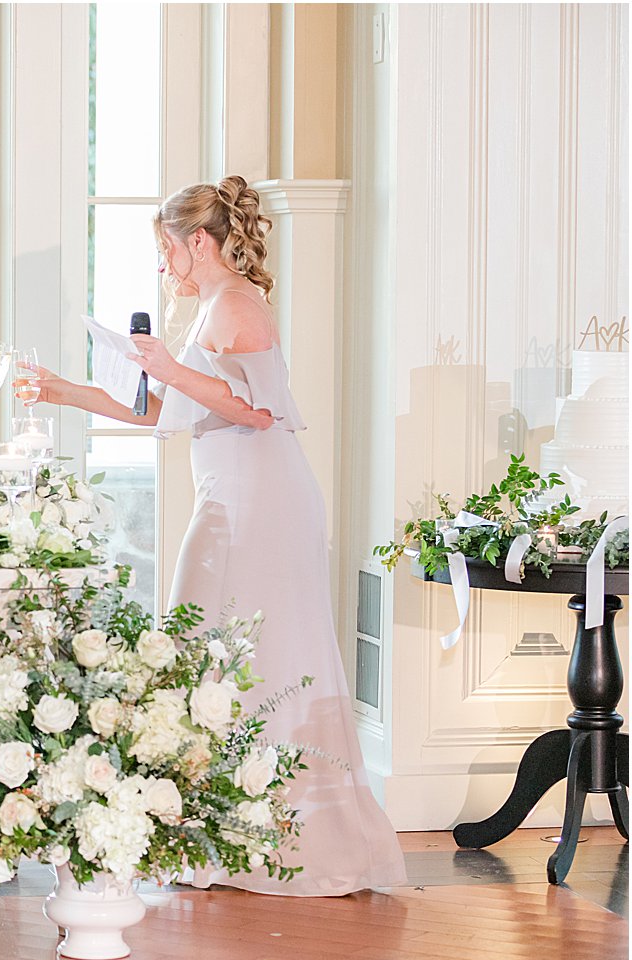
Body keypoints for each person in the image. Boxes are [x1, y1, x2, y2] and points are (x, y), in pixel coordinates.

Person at [24, 176, 406, 896]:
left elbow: (263, 411)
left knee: (261, 648)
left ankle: (294, 830)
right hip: (226, 495)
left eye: (167, 248)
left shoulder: (240, 305)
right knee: (209, 651)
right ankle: (220, 824)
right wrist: (60, 388)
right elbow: (156, 410)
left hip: (261, 503)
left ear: (199, 241)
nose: (163, 264)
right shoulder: (204, 312)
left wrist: (168, 367)